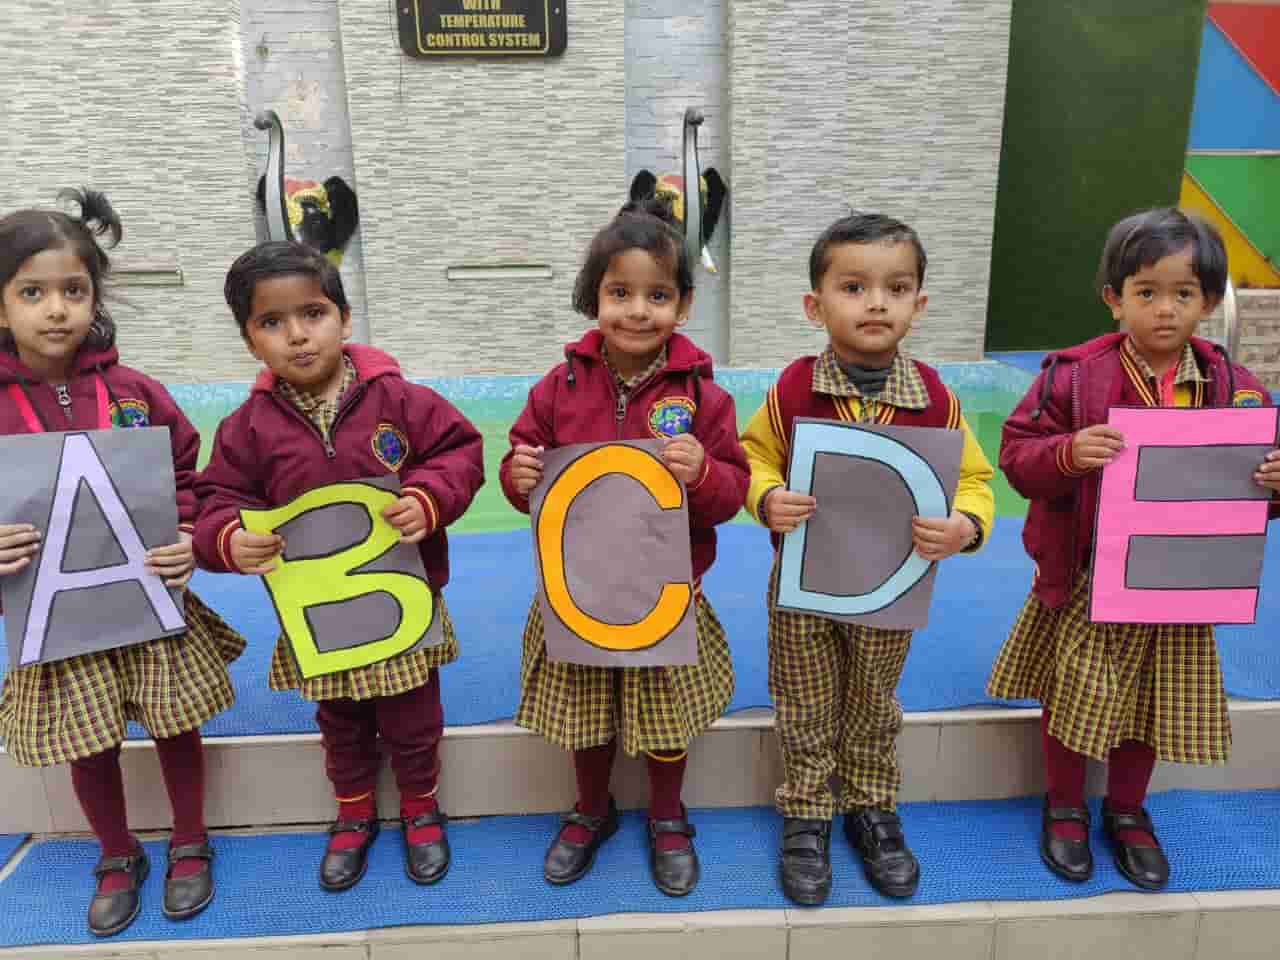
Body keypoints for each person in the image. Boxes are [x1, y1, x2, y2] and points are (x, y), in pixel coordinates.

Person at [988, 208, 1280, 890]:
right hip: (1090, 575)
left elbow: (1252, 496)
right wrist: (1066, 453)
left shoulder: (1238, 391)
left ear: (1208, 301)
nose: (1165, 309)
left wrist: (1274, 484)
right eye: (1146, 291)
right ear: (1113, 298)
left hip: (1180, 583)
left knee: (1150, 700)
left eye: (1183, 293)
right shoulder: (1072, 377)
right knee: (1072, 693)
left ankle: (1126, 809)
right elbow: (1017, 456)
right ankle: (1064, 806)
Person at [193, 241, 483, 892]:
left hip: (401, 602)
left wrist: (430, 497)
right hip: (318, 617)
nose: (297, 335)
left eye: (313, 313)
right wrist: (229, 539)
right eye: (272, 322)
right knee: (340, 720)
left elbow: (460, 452)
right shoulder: (246, 429)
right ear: (249, 339)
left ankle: (420, 806)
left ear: (345, 319)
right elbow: (215, 499)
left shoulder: (400, 400)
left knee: (413, 713)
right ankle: (353, 811)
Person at [0, 190, 245, 936]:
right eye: (32, 292)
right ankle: (115, 851)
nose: (56, 309)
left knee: (176, 723)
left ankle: (191, 838)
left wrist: (190, 531)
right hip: (56, 618)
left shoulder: (135, 392)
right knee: (89, 739)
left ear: (95, 297)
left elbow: (189, 472)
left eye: (73, 290)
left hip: (148, 600)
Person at [740, 212, 995, 905]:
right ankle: (806, 810)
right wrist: (766, 498)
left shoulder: (937, 398)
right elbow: (752, 456)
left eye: (896, 288)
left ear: (919, 304)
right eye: (853, 287)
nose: (876, 303)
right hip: (804, 586)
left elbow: (974, 479)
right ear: (814, 305)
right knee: (803, 701)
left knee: (874, 701)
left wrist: (965, 526)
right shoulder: (792, 390)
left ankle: (870, 805)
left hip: (891, 587)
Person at [499, 196, 749, 897]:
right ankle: (591, 809)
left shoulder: (706, 399)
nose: (638, 311)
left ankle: (668, 814)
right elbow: (526, 472)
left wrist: (703, 474)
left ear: (685, 305)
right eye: (620, 293)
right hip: (577, 591)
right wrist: (518, 475)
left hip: (666, 592)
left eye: (658, 295)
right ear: (594, 298)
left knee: (666, 714)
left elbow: (732, 492)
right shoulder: (557, 388)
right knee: (585, 713)